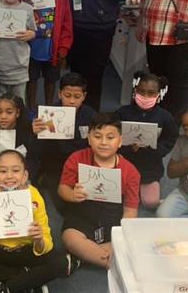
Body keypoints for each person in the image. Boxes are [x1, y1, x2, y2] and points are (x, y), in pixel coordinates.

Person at [0, 150, 69, 293]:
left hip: (27, 249)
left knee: (61, 263)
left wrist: (39, 240)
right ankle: (27, 280)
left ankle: (5, 288)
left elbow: (45, 236)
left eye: (16, 171)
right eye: (3, 171)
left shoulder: (34, 195)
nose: (9, 176)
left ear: (25, 175)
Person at [58, 113, 139, 269]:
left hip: (112, 217)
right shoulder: (76, 158)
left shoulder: (131, 171)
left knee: (126, 240)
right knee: (70, 238)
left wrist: (122, 236)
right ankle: (113, 263)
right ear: (89, 138)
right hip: (82, 213)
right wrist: (73, 195)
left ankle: (87, 256)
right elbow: (62, 189)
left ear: (120, 141)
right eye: (97, 136)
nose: (103, 143)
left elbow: (130, 210)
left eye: (110, 137)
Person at [29, 72, 96, 211]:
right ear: (59, 94)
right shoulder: (48, 115)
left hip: (81, 166)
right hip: (56, 166)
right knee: (63, 205)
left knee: (89, 198)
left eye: (77, 97)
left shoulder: (90, 116)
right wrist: (36, 134)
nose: (72, 101)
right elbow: (36, 151)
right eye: (67, 95)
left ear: (84, 96)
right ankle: (45, 178)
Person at [114, 71, 178, 209]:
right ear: (135, 91)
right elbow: (112, 135)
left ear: (158, 94)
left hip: (150, 169)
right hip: (124, 163)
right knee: (115, 198)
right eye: (141, 92)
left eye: (151, 93)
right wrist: (125, 147)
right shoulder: (122, 113)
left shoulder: (165, 117)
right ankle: (129, 186)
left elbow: (170, 139)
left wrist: (153, 149)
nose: (145, 97)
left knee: (151, 203)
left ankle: (143, 187)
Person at [23, 0, 73, 111]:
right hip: (30, 47)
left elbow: (66, 20)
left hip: (52, 46)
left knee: (51, 80)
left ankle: (49, 109)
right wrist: (25, 7)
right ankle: (31, 110)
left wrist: (64, 46)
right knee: (31, 79)